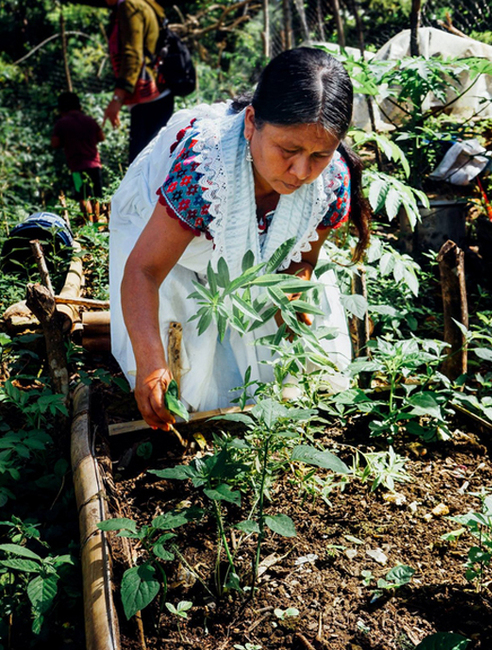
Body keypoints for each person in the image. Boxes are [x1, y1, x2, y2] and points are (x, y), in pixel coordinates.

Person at [109, 47, 371, 431]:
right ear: (251, 122)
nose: (301, 171)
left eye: (319, 155)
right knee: (187, 389)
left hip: (255, 260)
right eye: (288, 150)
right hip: (165, 244)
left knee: (301, 377)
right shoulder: (201, 171)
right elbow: (144, 270)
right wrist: (151, 364)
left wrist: (292, 306)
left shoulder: (331, 181)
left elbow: (303, 262)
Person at [102, 0, 174, 164]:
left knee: (140, 167)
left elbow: (133, 53)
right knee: (150, 165)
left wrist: (117, 99)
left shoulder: (130, 6)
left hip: (150, 98)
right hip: (155, 97)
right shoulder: (142, 4)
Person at [51, 91, 105, 223]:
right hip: (94, 164)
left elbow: (55, 143)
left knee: (82, 196)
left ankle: (88, 223)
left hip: (77, 167)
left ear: (61, 109)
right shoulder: (89, 120)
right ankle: (97, 223)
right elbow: (101, 137)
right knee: (96, 196)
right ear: (79, 106)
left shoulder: (62, 124)